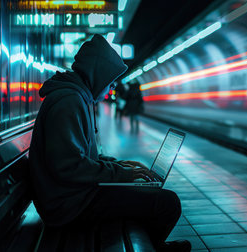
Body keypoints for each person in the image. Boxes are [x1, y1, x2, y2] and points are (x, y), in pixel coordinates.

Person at [28, 34, 191, 252]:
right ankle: (156, 248)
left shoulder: (76, 97)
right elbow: (69, 166)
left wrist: (123, 166)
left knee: (148, 197)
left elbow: (82, 158)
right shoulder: (69, 102)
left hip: (70, 197)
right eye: (110, 82)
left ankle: (155, 246)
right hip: (69, 206)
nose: (109, 90)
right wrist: (122, 175)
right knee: (167, 203)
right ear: (98, 75)